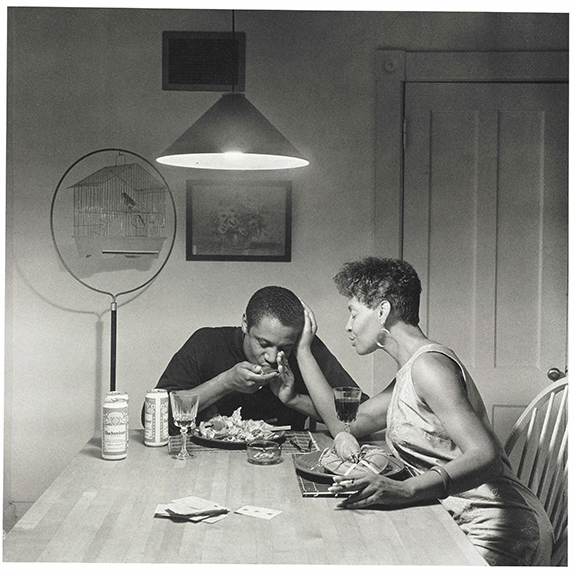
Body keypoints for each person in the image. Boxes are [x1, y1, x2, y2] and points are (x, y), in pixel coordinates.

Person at [294, 257, 553, 566]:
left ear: (382, 311)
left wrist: (405, 489)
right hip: (455, 520)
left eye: (353, 313)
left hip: (500, 530)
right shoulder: (410, 370)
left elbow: (486, 455)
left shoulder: (429, 367)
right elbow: (345, 424)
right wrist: (303, 352)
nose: (348, 326)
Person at [145, 285, 366, 435]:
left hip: (284, 464)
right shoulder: (207, 342)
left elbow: (359, 415)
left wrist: (295, 399)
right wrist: (225, 382)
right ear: (245, 324)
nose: (271, 357)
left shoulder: (304, 349)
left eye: (284, 348)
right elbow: (151, 418)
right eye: (263, 344)